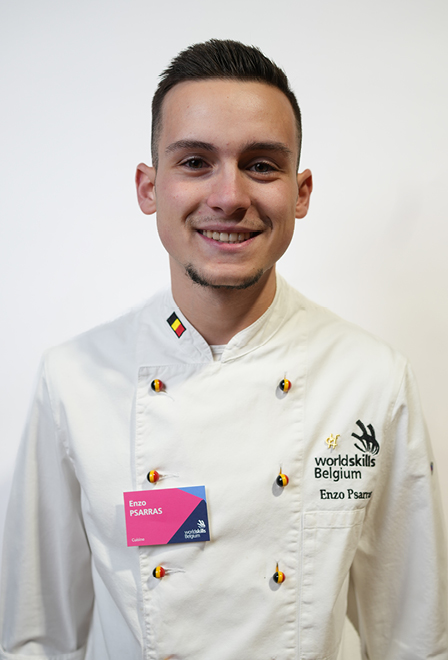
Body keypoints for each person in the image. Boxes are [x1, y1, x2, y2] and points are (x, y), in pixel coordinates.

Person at [0, 39, 446, 660]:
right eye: (195, 162)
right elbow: (37, 638)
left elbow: (413, 639)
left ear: (301, 192)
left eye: (261, 165)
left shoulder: (371, 380)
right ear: (149, 187)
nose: (229, 196)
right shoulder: (73, 380)